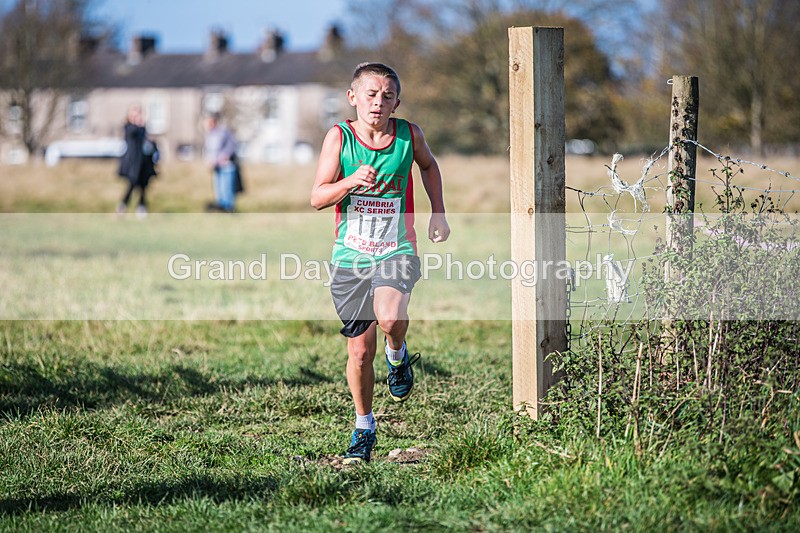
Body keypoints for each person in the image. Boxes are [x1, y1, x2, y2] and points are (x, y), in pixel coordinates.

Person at [310, 62, 450, 464]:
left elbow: (429, 166)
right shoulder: (339, 138)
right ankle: (364, 427)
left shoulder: (409, 135)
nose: (378, 102)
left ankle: (398, 353)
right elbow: (318, 197)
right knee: (358, 353)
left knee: (389, 319)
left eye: (387, 96)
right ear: (352, 98)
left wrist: (437, 212)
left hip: (396, 248)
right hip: (350, 255)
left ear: (397, 102)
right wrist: (351, 182)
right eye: (371, 94)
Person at [117, 105, 158, 217]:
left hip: (144, 163)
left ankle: (142, 207)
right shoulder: (129, 128)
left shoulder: (144, 130)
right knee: (132, 184)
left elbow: (149, 144)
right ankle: (123, 205)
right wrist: (139, 125)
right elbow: (133, 133)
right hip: (133, 163)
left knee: (143, 186)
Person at [204, 113, 240, 212]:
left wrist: (225, 155)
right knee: (218, 188)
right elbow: (209, 150)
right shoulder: (209, 135)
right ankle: (221, 207)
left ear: (214, 122)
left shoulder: (223, 132)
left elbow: (232, 144)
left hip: (226, 166)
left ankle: (228, 208)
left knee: (226, 188)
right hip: (216, 166)